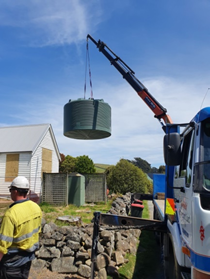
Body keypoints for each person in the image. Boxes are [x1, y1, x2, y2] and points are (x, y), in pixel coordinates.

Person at [0, 176, 42, 279]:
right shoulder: (36, 207)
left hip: (11, 263)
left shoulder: (11, 214)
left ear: (15, 191)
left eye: (10, 190)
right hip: (27, 259)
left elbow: (3, 246)